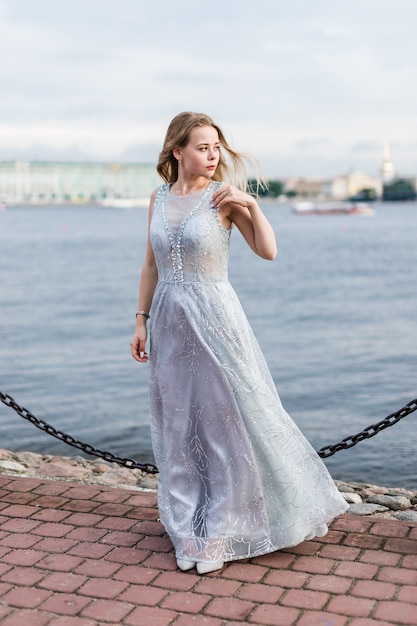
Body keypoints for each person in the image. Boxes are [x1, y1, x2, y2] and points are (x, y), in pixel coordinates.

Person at [131, 112, 348, 575]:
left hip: (216, 320)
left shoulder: (224, 199)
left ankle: (224, 529)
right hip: (169, 321)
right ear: (178, 151)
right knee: (179, 424)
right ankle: (188, 523)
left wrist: (253, 206)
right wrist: (141, 320)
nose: (212, 156)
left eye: (216, 148)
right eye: (202, 147)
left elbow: (268, 251)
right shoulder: (159, 197)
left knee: (225, 424)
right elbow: (150, 265)